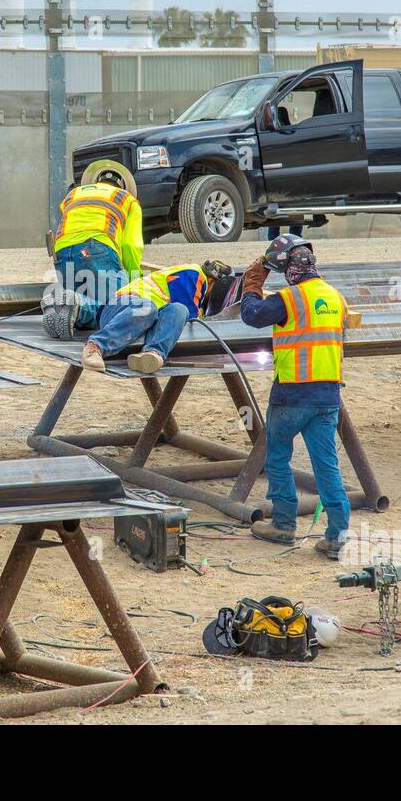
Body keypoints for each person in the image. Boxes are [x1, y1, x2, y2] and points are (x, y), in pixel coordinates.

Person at [239, 234, 350, 559]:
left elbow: (252, 315)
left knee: (277, 457)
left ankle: (284, 525)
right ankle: (337, 536)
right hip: (328, 396)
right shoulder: (336, 298)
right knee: (327, 466)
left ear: (289, 271)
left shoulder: (289, 299)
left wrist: (253, 282)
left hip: (291, 395)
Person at [42, 160, 143, 340]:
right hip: (96, 248)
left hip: (62, 252)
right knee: (118, 308)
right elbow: (131, 245)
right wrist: (133, 277)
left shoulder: (73, 195)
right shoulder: (127, 199)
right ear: (123, 185)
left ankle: (61, 306)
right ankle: (78, 306)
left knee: (73, 313)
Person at [81, 260, 228, 374]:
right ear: (212, 281)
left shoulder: (192, 278)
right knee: (149, 308)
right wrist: (202, 314)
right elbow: (192, 312)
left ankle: (152, 353)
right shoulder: (194, 274)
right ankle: (96, 346)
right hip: (119, 308)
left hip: (142, 318)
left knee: (180, 310)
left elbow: (183, 312)